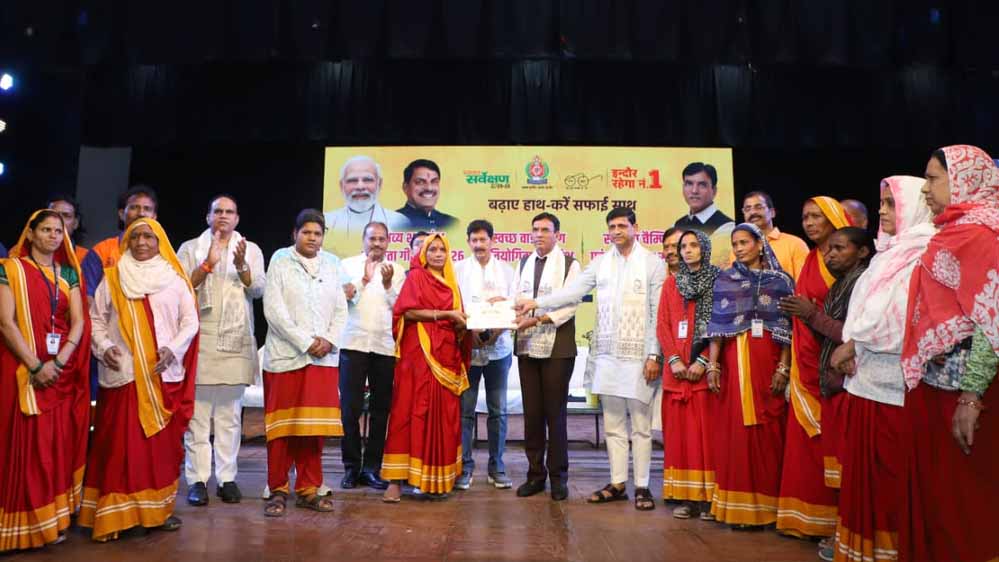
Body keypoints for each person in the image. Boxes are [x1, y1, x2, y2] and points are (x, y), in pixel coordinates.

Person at [517, 207, 666, 511]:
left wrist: (654, 354)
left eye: (622, 226)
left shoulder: (653, 264)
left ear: (635, 227)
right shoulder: (601, 263)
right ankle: (617, 483)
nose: (616, 231)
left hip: (639, 356)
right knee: (612, 424)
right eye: (612, 227)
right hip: (608, 355)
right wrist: (536, 302)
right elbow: (572, 293)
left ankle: (642, 486)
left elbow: (657, 314)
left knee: (640, 426)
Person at [898, 145, 999, 562]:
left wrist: (971, 397)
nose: (925, 189)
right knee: (939, 499)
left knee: (965, 502)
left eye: (933, 178)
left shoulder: (983, 235)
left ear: (963, 180)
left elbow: (991, 320)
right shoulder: (953, 231)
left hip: (968, 391)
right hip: (936, 384)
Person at [828, 176, 934, 562]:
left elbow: (902, 321)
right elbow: (862, 312)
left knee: (892, 481)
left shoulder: (925, 252)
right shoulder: (888, 254)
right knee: (866, 479)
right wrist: (851, 342)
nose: (882, 211)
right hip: (864, 383)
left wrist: (853, 343)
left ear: (914, 206)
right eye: (882, 203)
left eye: (891, 203)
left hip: (895, 390)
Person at [79, 218, 199, 541]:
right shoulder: (113, 277)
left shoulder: (175, 280)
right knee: (119, 448)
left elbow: (190, 322)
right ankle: (118, 516)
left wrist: (173, 349)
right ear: (126, 242)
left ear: (160, 242)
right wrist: (104, 347)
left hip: (161, 376)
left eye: (148, 236)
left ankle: (155, 512)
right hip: (124, 375)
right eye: (135, 237)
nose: (142, 242)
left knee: (157, 452)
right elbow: (95, 319)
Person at [0, 210, 90, 552]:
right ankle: (13, 530)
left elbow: (78, 322)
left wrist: (60, 361)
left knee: (50, 450)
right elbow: (5, 322)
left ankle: (46, 526)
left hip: (58, 374)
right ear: (31, 233)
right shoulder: (9, 269)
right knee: (17, 446)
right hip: (19, 370)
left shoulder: (68, 273)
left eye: (58, 230)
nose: (53, 235)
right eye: (46, 229)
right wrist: (36, 365)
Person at [176, 194, 266, 506]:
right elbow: (182, 287)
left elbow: (258, 289)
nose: (223, 216)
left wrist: (241, 266)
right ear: (208, 216)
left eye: (229, 212)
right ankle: (197, 480)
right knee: (198, 418)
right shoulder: (190, 248)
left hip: (236, 338)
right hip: (200, 336)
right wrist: (208, 264)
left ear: (237, 219)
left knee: (229, 417)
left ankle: (227, 478)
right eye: (218, 211)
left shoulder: (250, 249)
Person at [704, 223, 793, 527]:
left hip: (768, 360)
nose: (739, 248)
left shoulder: (780, 281)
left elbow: (787, 329)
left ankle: (769, 508)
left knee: (769, 430)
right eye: (735, 244)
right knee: (736, 432)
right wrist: (713, 365)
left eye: (744, 242)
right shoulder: (726, 280)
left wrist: (783, 367)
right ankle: (737, 508)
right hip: (734, 362)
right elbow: (717, 327)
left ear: (759, 244)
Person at [261, 209, 347, 517]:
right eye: (306, 232)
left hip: (322, 360)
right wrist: (306, 342)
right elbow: (274, 310)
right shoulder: (280, 260)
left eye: (317, 233)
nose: (312, 238)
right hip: (286, 358)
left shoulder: (332, 264)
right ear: (294, 234)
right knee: (282, 430)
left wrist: (329, 340)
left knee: (313, 430)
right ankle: (277, 489)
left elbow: (341, 309)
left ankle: (309, 489)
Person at [776, 196, 852, 540]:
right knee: (804, 446)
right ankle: (805, 520)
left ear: (835, 219)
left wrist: (811, 312)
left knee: (832, 444)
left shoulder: (845, 264)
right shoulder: (809, 258)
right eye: (805, 217)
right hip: (804, 359)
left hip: (834, 361)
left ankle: (835, 523)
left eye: (816, 216)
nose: (809, 223)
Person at [381, 233, 471, 502]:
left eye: (442, 249)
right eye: (432, 249)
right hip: (417, 353)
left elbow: (459, 320)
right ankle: (395, 481)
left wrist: (464, 325)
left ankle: (436, 480)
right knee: (408, 411)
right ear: (423, 253)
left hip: (446, 354)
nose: (438, 254)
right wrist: (444, 314)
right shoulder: (416, 277)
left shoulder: (452, 284)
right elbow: (405, 312)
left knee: (442, 415)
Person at [511, 212, 581, 501]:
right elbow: (516, 300)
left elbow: (571, 304)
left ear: (556, 234)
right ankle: (535, 475)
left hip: (558, 348)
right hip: (527, 346)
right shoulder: (523, 263)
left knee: (555, 415)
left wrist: (537, 320)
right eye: (535, 230)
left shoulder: (570, 264)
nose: (538, 235)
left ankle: (559, 477)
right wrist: (503, 306)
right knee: (532, 415)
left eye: (545, 230)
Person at [656, 229, 719, 520]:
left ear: (704, 248)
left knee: (705, 438)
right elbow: (663, 325)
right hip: (677, 374)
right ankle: (687, 498)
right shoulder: (672, 283)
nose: (688, 250)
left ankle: (709, 500)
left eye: (694, 245)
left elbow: (722, 325)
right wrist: (673, 359)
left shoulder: (719, 280)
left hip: (703, 376)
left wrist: (703, 360)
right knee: (680, 439)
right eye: (684, 247)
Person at [337, 221, 405, 491]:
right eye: (372, 238)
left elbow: (400, 308)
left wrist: (387, 285)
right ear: (363, 240)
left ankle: (372, 468)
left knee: (380, 411)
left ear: (388, 242)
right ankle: (351, 467)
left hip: (384, 346)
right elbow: (341, 299)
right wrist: (364, 279)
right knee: (349, 410)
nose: (376, 243)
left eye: (381, 239)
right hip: (352, 344)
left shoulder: (397, 270)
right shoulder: (346, 265)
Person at [454, 219, 516, 490]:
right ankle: (464, 468)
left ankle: (497, 467)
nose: (479, 245)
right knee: (465, 411)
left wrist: (496, 331)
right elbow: (455, 306)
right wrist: (471, 332)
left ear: (492, 240)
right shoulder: (457, 270)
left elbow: (513, 306)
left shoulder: (507, 272)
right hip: (468, 349)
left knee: (498, 411)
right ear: (468, 242)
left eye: (483, 240)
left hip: (499, 350)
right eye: (474, 240)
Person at [81, 185, 158, 401]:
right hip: (109, 347)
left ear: (155, 216)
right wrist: (103, 342)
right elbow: (88, 300)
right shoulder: (102, 251)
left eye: (147, 209)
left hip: (151, 351)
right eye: (134, 207)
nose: (141, 213)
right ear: (121, 213)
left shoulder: (163, 255)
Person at [324, 155, 409, 242]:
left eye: (367, 180)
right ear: (342, 185)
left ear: (379, 184)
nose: (360, 187)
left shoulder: (399, 221)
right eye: (352, 180)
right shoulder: (326, 221)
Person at [732, 191, 810, 280]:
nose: (752, 212)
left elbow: (805, 284)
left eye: (758, 207)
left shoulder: (795, 244)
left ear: (772, 212)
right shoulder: (738, 249)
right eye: (747, 209)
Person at [673, 162, 734, 236]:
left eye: (702, 185)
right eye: (689, 184)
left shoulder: (726, 227)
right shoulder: (677, 225)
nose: (694, 191)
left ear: (714, 190)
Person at [396, 159, 459, 231]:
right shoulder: (393, 222)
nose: (429, 188)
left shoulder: (452, 223)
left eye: (434, 181)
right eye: (420, 182)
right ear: (405, 187)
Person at [48, 193, 89, 263]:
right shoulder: (33, 254)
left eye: (66, 216)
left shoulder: (87, 257)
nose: (59, 220)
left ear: (75, 223)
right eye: (54, 215)